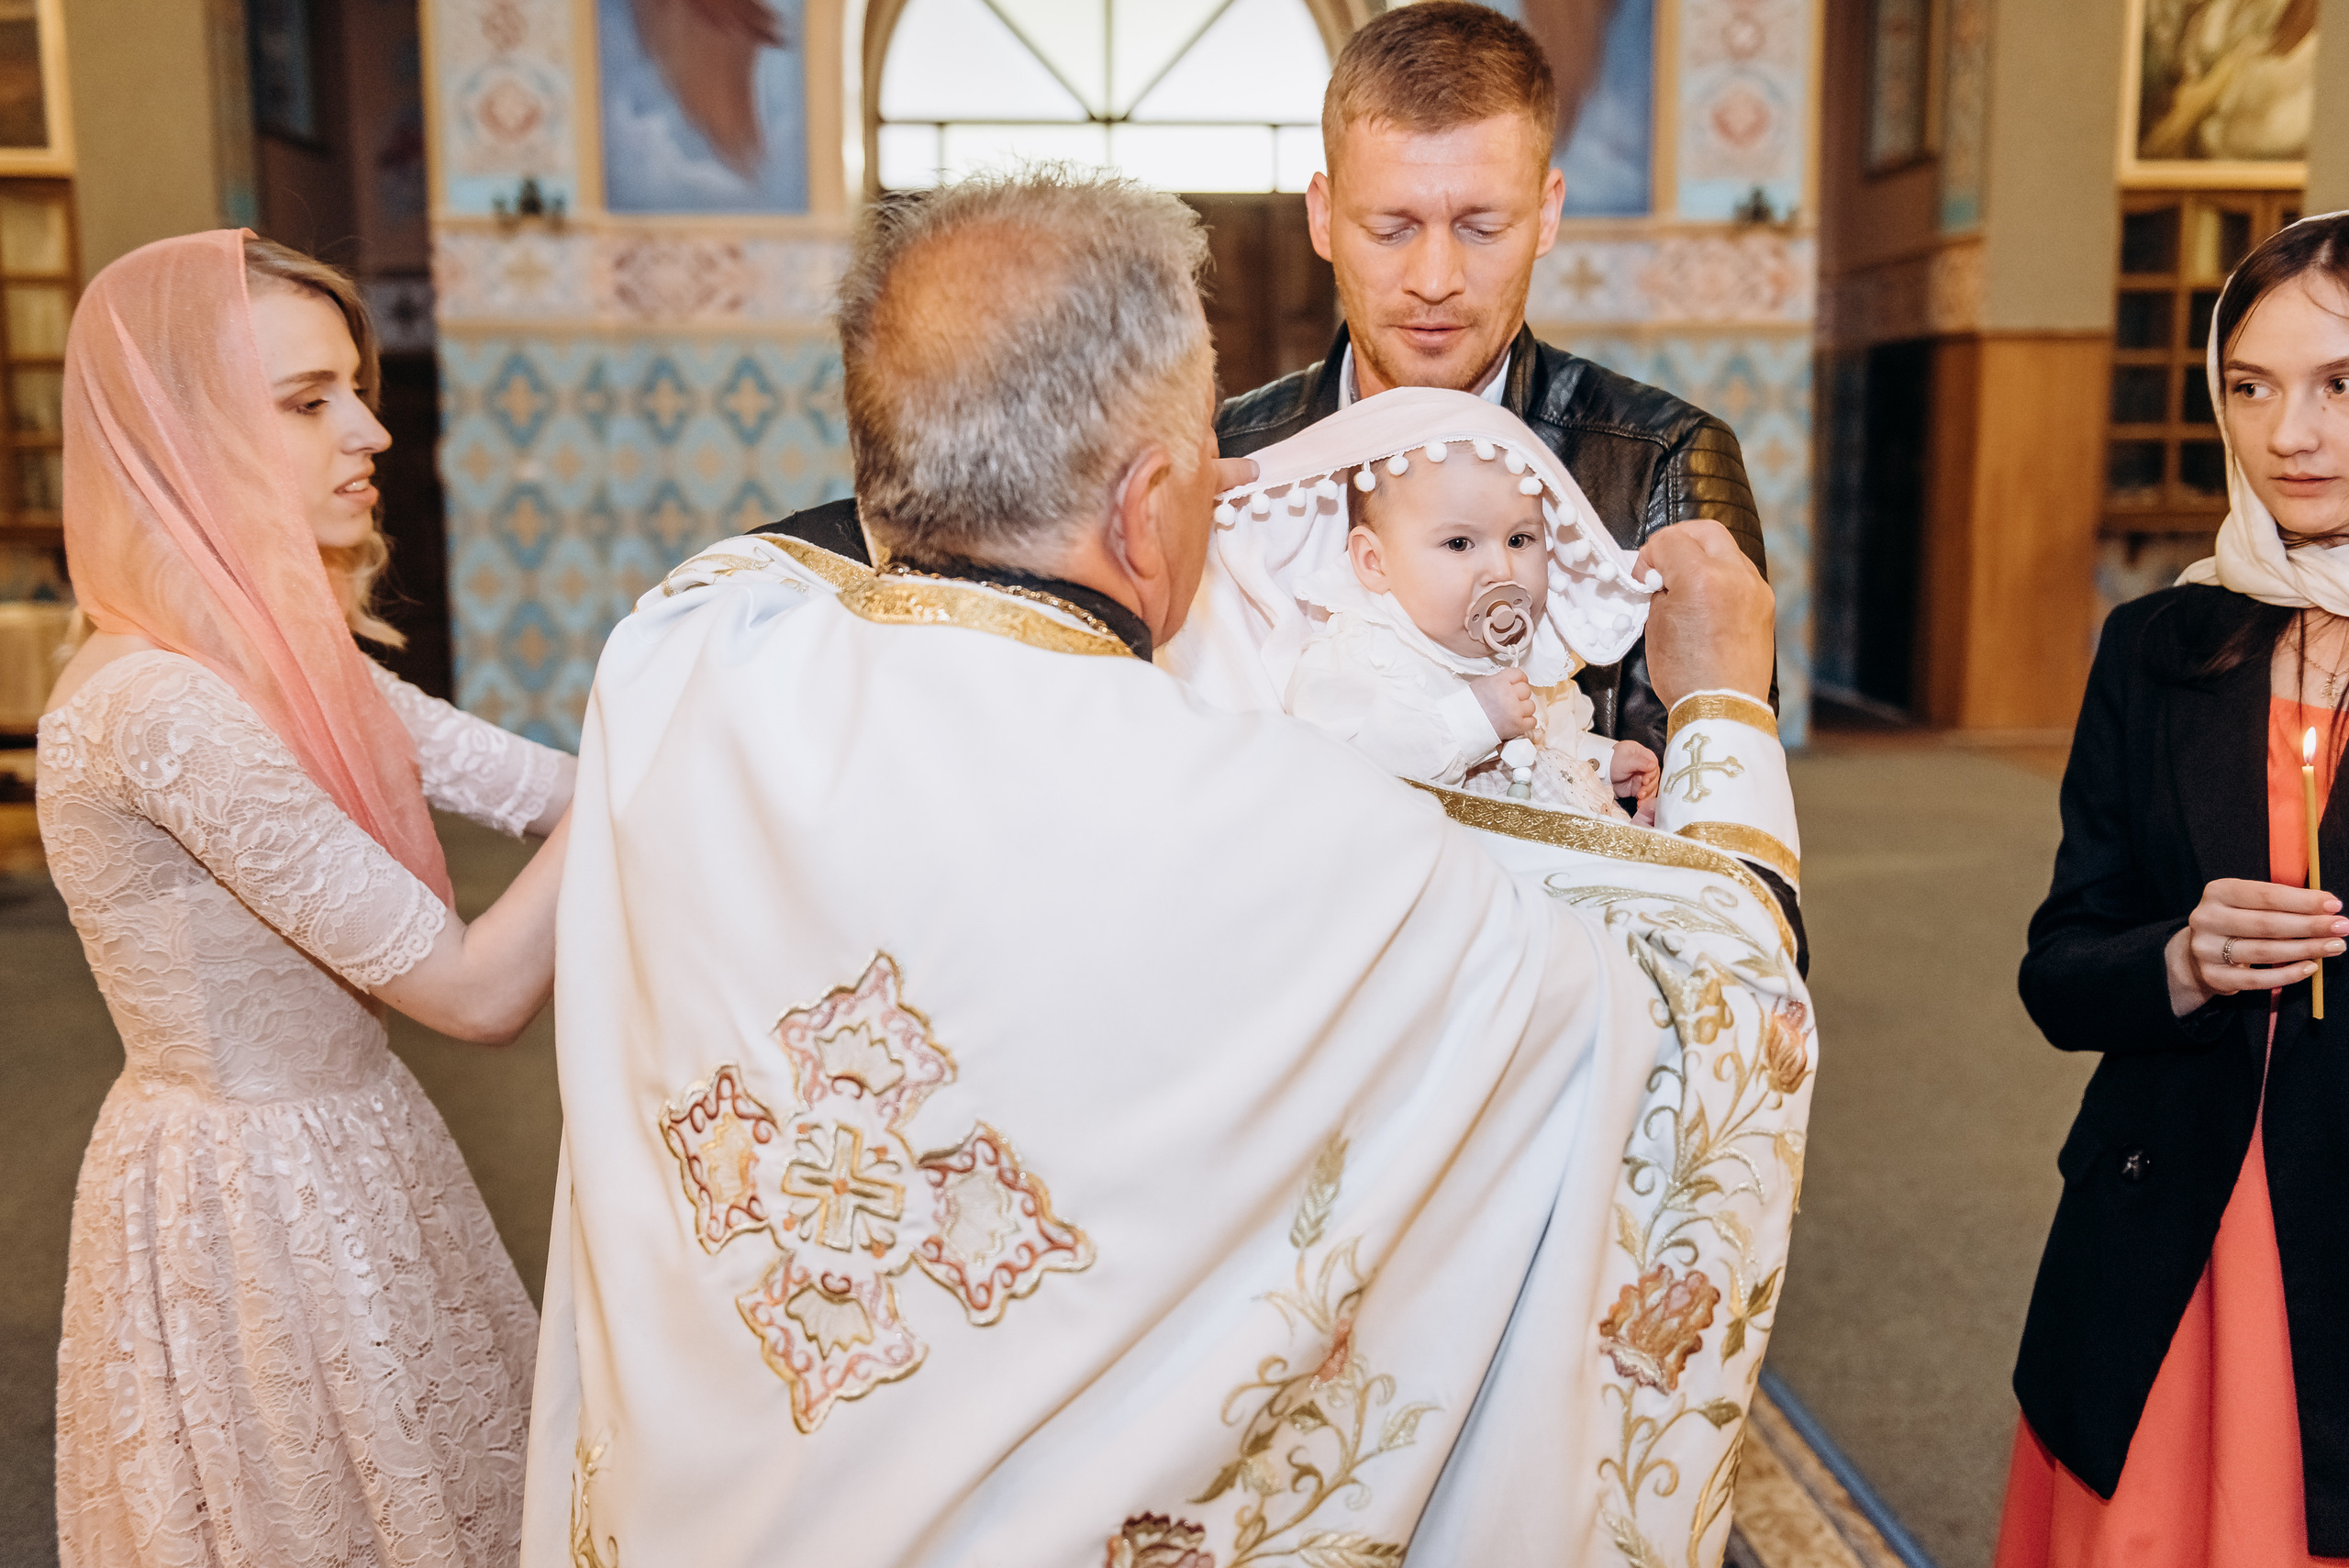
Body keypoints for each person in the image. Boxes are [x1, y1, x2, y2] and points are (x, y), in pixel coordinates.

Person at [521, 168, 1809, 1568]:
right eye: (1200, 452)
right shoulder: (1300, 833)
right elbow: (1711, 1024)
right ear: (1147, 508)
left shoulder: (690, 662)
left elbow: (791, 550)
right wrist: (1723, 705)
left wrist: (1072, 454)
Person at [43, 231, 575, 1568]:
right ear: (181, 437)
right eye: (306, 402)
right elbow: (472, 989)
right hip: (255, 1190)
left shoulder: (293, 665)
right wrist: (670, 728)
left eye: (352, 387)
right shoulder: (166, 706)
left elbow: (548, 792)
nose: (369, 430)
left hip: (355, 1140)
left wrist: (655, 750)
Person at [1996, 211, 2349, 1563]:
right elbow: (2059, 964)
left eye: (2338, 383)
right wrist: (2180, 962)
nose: (2290, 435)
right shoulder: (2158, 643)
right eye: (2251, 387)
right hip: (2165, 1251)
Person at [1215, 1, 1771, 770]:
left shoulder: (1664, 462)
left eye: (1481, 228)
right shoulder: (1228, 459)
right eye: (1391, 229)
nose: (1436, 281)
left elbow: (1710, 827)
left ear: (1546, 217)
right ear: (1323, 217)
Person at [1242, 388, 1661, 819]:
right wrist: (1474, 720)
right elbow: (1349, 770)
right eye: (1459, 543)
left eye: (1520, 539)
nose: (1502, 569)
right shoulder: (1360, 657)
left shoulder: (1530, 658)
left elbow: (1549, 748)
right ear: (1374, 562)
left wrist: (1604, 764)